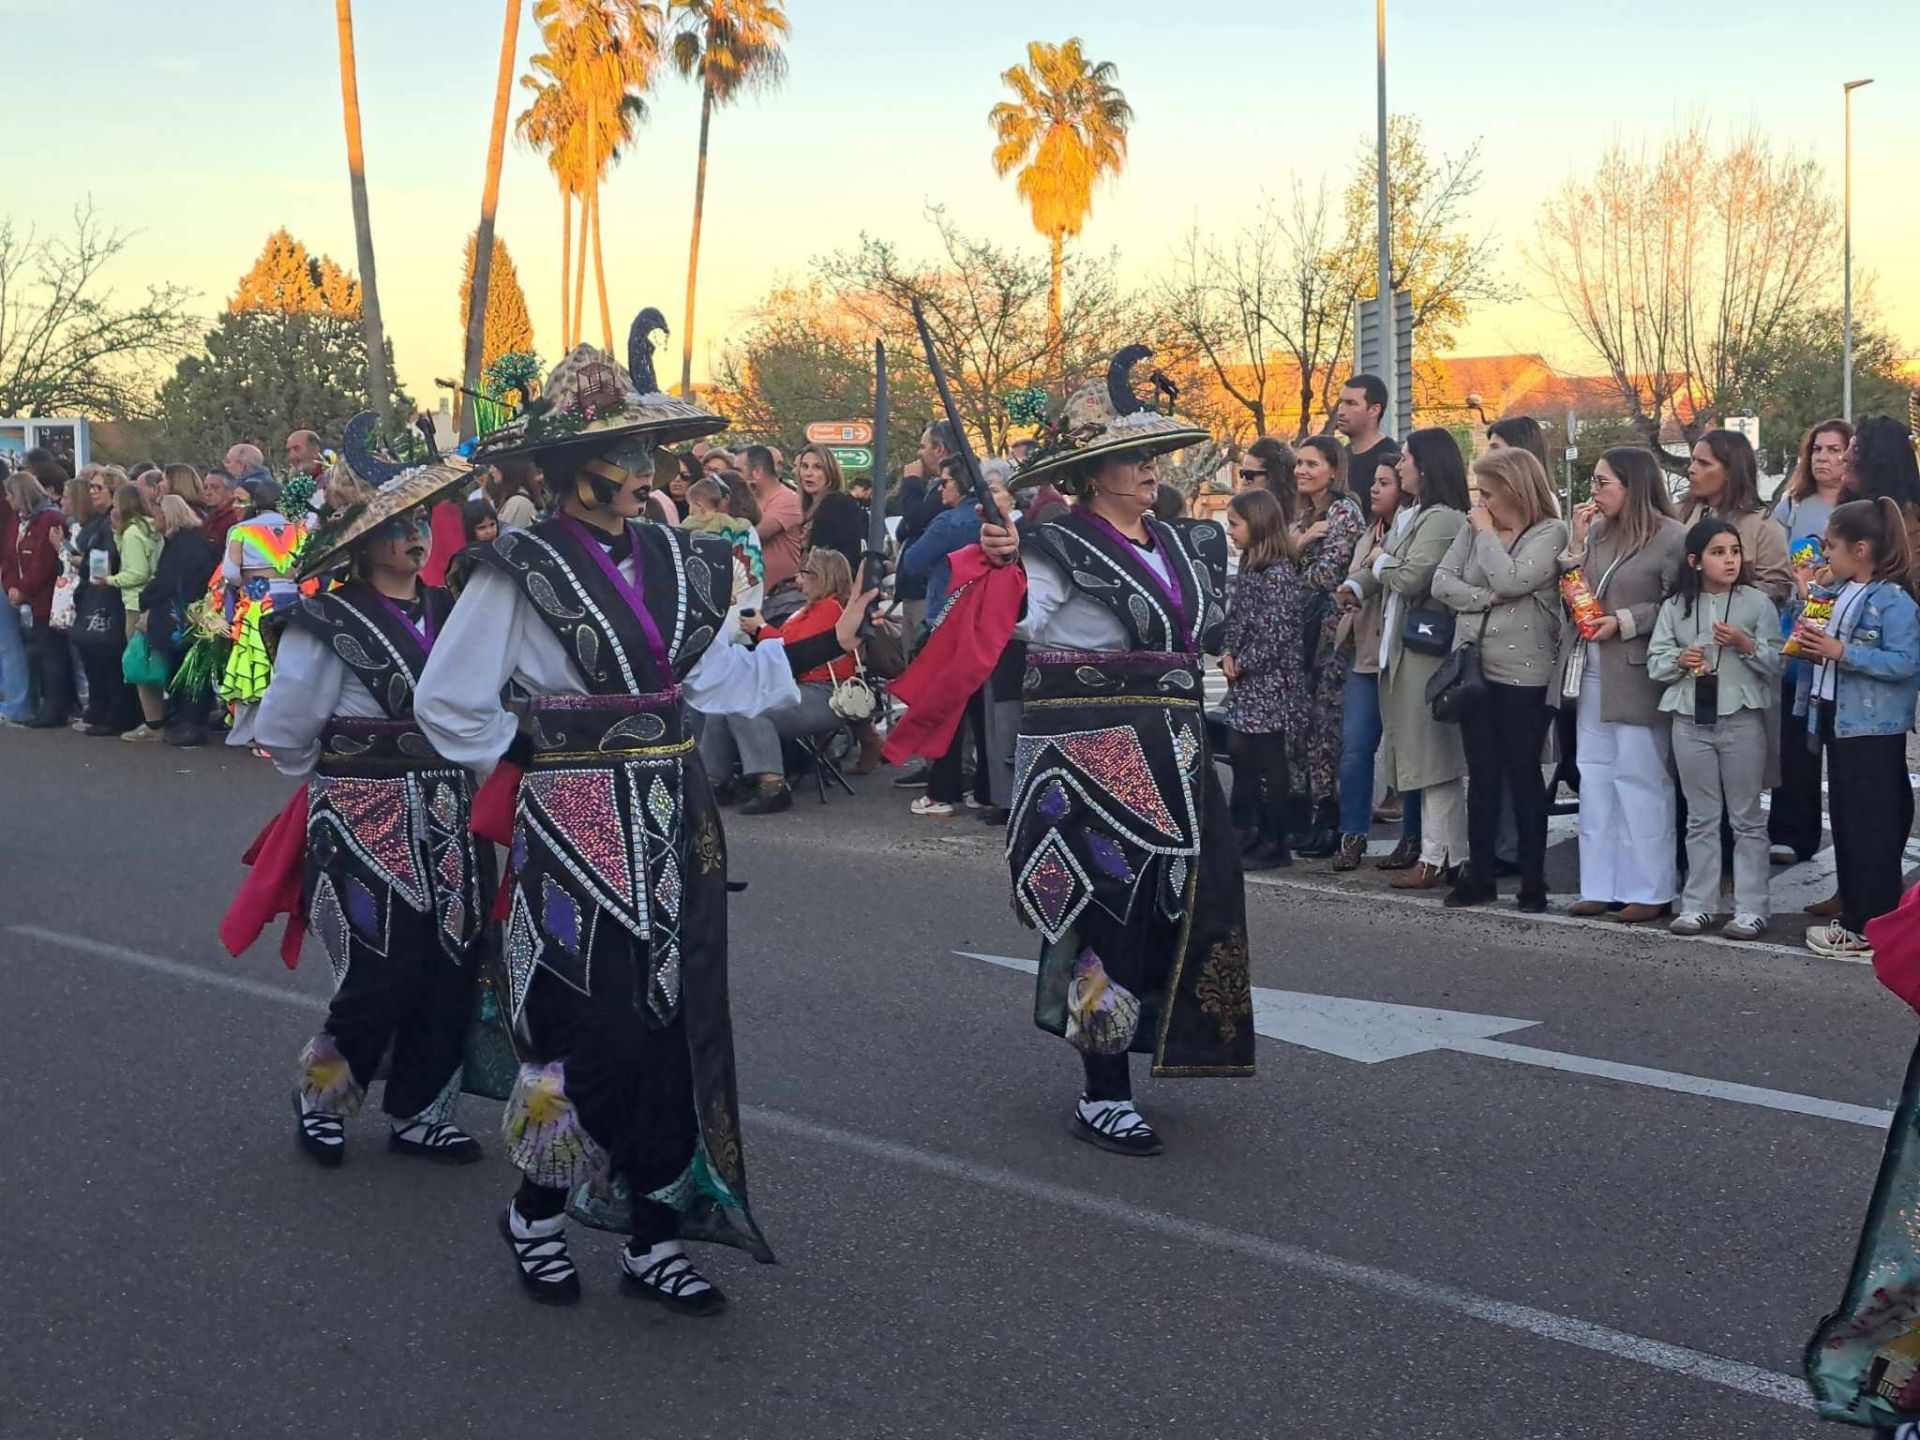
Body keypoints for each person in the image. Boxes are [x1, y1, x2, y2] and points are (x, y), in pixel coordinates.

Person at [411, 325, 875, 1312]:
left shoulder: (679, 558)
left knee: (675, 1023)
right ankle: (538, 1214)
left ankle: (653, 1231)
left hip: (673, 819)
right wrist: (532, 755)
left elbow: (718, 681)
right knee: (591, 1023)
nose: (645, 468)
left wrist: (823, 645)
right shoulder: (517, 566)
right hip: (572, 822)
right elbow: (447, 700)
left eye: (646, 450)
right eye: (624, 452)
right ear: (572, 468)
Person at [975, 345, 1250, 1156]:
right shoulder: (1054, 546)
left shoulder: (1184, 542)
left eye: (1153, 454)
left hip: (1180, 755)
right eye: (1132, 457)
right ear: (1093, 474)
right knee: (1110, 916)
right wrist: (998, 567)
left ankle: (1151, 1042)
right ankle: (1101, 1093)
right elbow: (1017, 622)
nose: (1149, 468)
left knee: (1184, 906)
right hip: (1096, 763)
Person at [245, 428, 495, 1168]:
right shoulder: (327, 621)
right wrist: (338, 777)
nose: (416, 537)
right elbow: (287, 727)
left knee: (452, 963)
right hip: (363, 814)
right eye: (398, 526)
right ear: (362, 539)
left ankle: (422, 1111)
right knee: (377, 970)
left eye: (421, 522)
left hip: (450, 813)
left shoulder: (454, 610)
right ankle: (322, 1098)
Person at [1431, 448, 1567, 910]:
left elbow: (1513, 579)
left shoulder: (1550, 532)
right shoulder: (1473, 528)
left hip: (1525, 672)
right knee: (1483, 775)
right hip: (1474, 666)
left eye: (1488, 493)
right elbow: (1442, 581)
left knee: (1523, 774)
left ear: (1514, 490)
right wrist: (1483, 599)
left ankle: (1533, 880)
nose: (1481, 504)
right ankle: (1480, 875)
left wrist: (1488, 537)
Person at [1554, 447, 1686, 924]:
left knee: (1640, 777)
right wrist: (1575, 543)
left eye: (1602, 482)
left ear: (1633, 486)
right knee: (1595, 776)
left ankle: (1649, 888)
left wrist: (1626, 621)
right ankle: (1600, 884)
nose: (1594, 491)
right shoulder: (1598, 532)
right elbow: (1573, 587)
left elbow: (1679, 603)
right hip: (1591, 668)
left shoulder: (1671, 537)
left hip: (1636, 670)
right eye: (1592, 481)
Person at [1791, 498, 1920, 960]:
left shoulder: (1893, 600)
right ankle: (1855, 912)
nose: (1825, 554)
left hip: (1872, 726)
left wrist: (1842, 652)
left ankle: (1868, 924)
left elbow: (1906, 662)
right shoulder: (1841, 590)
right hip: (1836, 716)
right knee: (1848, 820)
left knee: (1872, 826)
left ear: (1860, 549)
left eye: (1831, 546)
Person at [1343, 429, 1472, 889]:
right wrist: (1360, 581)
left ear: (1427, 465)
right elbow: (1386, 568)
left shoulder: (1441, 518)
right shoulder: (1414, 514)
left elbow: (1411, 576)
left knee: (1432, 758)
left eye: (1406, 459)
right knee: (1421, 754)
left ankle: (1437, 855)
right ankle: (1449, 853)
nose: (1399, 467)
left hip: (1425, 651)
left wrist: (1380, 560)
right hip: (1402, 650)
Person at [1647, 518, 1781, 940]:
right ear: (1695, 561)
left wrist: (1745, 645)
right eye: (1718, 552)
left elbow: (1778, 662)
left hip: (1741, 718)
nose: (1729, 560)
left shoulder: (1757, 603)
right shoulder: (1675, 607)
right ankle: (1698, 905)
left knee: (1747, 818)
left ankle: (1752, 908)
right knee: (1700, 817)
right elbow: (1656, 661)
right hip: (1690, 719)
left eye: (1735, 551)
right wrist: (1679, 660)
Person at [700, 547, 859, 815]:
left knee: (748, 707)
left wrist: (761, 629)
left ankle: (772, 784)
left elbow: (792, 653)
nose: (797, 579)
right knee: (722, 703)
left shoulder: (830, 610)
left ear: (822, 576)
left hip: (825, 694)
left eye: (804, 573)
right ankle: (714, 779)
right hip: (799, 688)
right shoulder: (806, 611)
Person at [1770, 419, 1852, 869]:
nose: (1824, 458)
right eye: (1817, 449)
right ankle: (1791, 833)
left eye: (1834, 449)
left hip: (1848, 627)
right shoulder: (1793, 504)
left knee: (1841, 743)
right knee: (1795, 733)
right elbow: (1775, 559)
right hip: (1800, 626)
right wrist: (1799, 582)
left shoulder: (1862, 505)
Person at [1336, 454, 1421, 871]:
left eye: (1385, 482)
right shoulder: (1370, 533)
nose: (1374, 488)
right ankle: (1352, 834)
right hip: (1365, 657)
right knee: (1355, 748)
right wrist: (1350, 588)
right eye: (1374, 481)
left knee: (1408, 752)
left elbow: (1404, 577)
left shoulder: (1413, 529)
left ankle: (1413, 837)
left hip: (1401, 656)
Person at [1285, 436, 1364, 858]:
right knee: (1304, 729)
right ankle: (1310, 812)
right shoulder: (1305, 516)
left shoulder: (1343, 513)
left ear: (1333, 470)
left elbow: (1326, 576)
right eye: (1299, 463)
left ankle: (1330, 817)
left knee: (1327, 728)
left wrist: (1294, 552)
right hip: (1303, 635)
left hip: (1331, 636)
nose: (1302, 470)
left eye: (1312, 464)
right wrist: (1297, 547)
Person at [1221, 488, 1307, 870]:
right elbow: (1237, 616)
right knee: (1241, 753)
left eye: (1235, 524)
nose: (1231, 531)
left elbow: (1276, 633)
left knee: (1270, 761)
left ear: (1257, 524)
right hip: (1247, 680)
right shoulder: (1249, 565)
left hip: (1273, 682)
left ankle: (1275, 840)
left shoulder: (1280, 573)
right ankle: (1250, 830)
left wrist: (1244, 662)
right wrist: (1227, 652)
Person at [218, 475, 311, 750]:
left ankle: (258, 732)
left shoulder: (241, 531)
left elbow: (230, 572)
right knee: (288, 664)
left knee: (258, 665)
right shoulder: (299, 530)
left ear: (255, 504)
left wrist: (246, 584)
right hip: (293, 601)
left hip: (258, 602)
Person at [1681, 428, 1792, 607]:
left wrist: (1729, 589)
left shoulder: (1762, 525)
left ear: (1730, 472)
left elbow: (1779, 590)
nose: (1691, 470)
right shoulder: (1680, 514)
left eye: (1703, 463)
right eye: (1693, 460)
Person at [65, 468, 136, 736]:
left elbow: (104, 562)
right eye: (91, 488)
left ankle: (116, 715)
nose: (92, 492)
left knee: (109, 658)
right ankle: (101, 709)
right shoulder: (101, 523)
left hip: (110, 593)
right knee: (96, 656)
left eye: (98, 488)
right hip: (97, 590)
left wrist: (84, 564)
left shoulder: (112, 524)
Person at [8, 469, 75, 728]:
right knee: (43, 653)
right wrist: (11, 585)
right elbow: (8, 555)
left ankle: (56, 708)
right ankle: (52, 705)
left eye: (11, 494)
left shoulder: (50, 519)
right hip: (30, 599)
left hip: (48, 599)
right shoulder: (18, 521)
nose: (8, 499)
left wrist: (23, 589)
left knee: (53, 655)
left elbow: (44, 562)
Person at [102, 482, 166, 741]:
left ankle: (152, 723)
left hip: (135, 603)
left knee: (139, 664)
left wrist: (109, 580)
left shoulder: (132, 533)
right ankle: (159, 717)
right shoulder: (152, 528)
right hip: (154, 601)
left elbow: (136, 572)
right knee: (154, 661)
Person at [742, 444, 805, 600]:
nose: (734, 476)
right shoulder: (750, 499)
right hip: (749, 595)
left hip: (779, 597)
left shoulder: (787, 499)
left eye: (738, 471)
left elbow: (754, 535)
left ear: (757, 472)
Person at [795, 443, 865, 566]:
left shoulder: (838, 502)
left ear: (830, 472)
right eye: (804, 466)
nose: (808, 473)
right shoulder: (801, 505)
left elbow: (844, 553)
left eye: (817, 467)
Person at [1334, 374, 1398, 507]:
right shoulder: (1340, 456)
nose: (1341, 411)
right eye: (1341, 402)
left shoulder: (1392, 458)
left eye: (1351, 403)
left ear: (1374, 410)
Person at [486, 459, 544, 530]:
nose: (491, 470)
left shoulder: (517, 502)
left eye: (496, 465)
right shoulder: (517, 499)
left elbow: (506, 535)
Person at [200, 468, 242, 552]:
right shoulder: (209, 514)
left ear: (231, 491)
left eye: (215, 487)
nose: (208, 492)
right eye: (205, 487)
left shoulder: (234, 517)